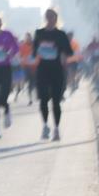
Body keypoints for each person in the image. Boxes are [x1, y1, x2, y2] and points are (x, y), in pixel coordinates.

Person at [33, 8, 73, 141]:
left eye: (53, 17)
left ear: (56, 18)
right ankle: (45, 126)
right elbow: (34, 52)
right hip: (43, 70)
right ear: (45, 18)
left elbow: (69, 51)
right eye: (48, 16)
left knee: (56, 101)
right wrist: (40, 49)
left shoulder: (61, 34)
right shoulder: (39, 33)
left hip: (57, 70)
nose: (50, 19)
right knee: (43, 99)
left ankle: (56, 129)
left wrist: (62, 53)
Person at [19, 32, 37, 105]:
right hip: (26, 66)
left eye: (29, 37)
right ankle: (30, 98)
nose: (28, 39)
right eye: (27, 37)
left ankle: (32, 94)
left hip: (34, 67)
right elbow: (20, 56)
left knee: (33, 83)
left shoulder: (35, 45)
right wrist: (23, 60)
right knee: (28, 82)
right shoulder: (22, 46)